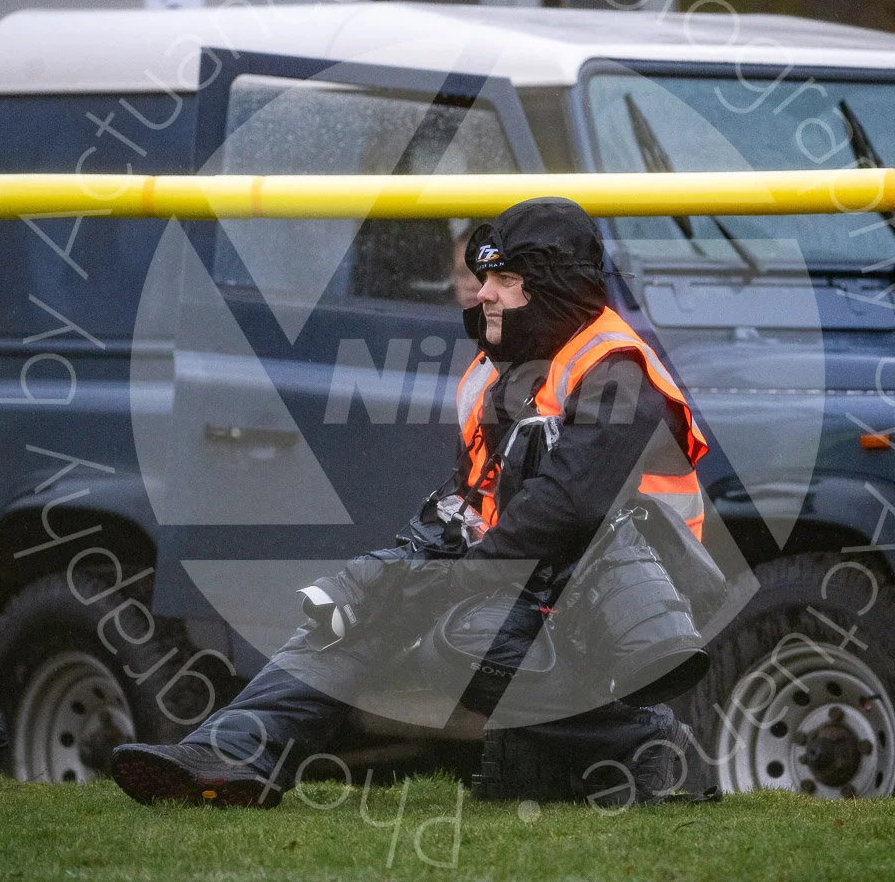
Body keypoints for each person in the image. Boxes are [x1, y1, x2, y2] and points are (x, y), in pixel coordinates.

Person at [112, 197, 711, 809]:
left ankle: (651, 748)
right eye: (485, 278)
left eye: (507, 280)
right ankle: (233, 755)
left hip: (630, 617)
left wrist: (453, 583)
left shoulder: (616, 366)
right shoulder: (497, 372)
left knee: (464, 636)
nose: (484, 294)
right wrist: (386, 580)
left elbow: (568, 508)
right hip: (538, 583)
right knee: (363, 608)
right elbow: (468, 504)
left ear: (553, 288)